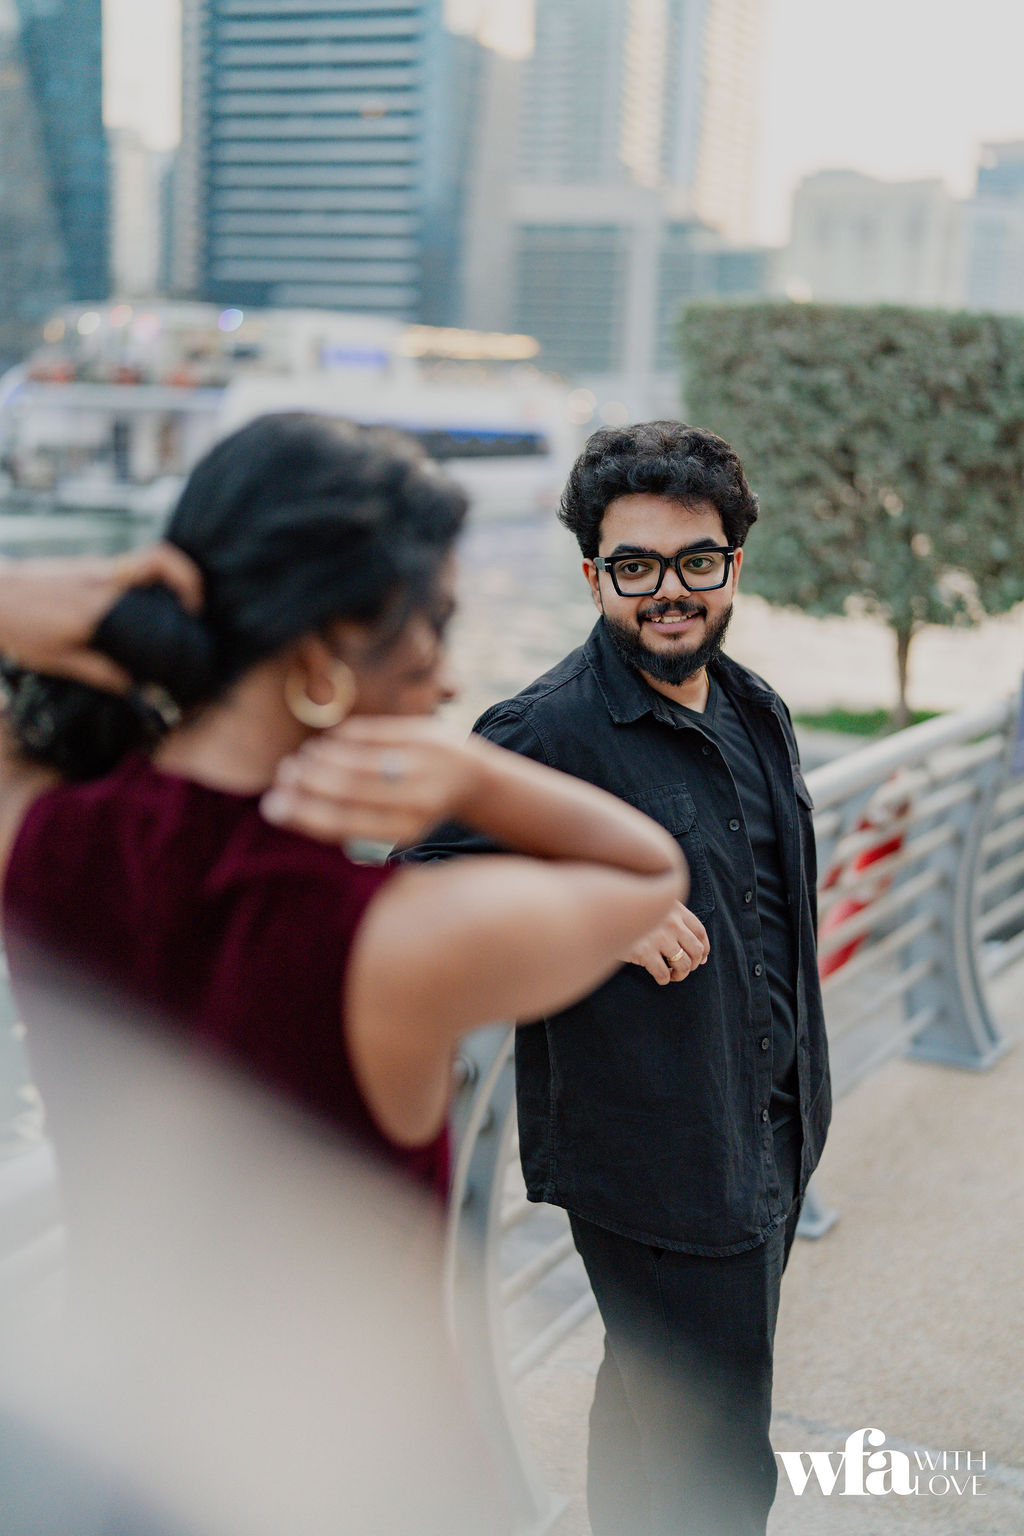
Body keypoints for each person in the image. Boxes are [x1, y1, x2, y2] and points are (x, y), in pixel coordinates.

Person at [357, 420, 830, 1536]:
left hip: (768, 1126)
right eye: (634, 566)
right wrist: (585, 914)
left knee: (646, 1417)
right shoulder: (544, 732)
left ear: (732, 565)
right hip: (654, 1165)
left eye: (695, 561)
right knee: (719, 1472)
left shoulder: (756, 707)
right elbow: (395, 898)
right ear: (593, 574)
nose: (668, 592)